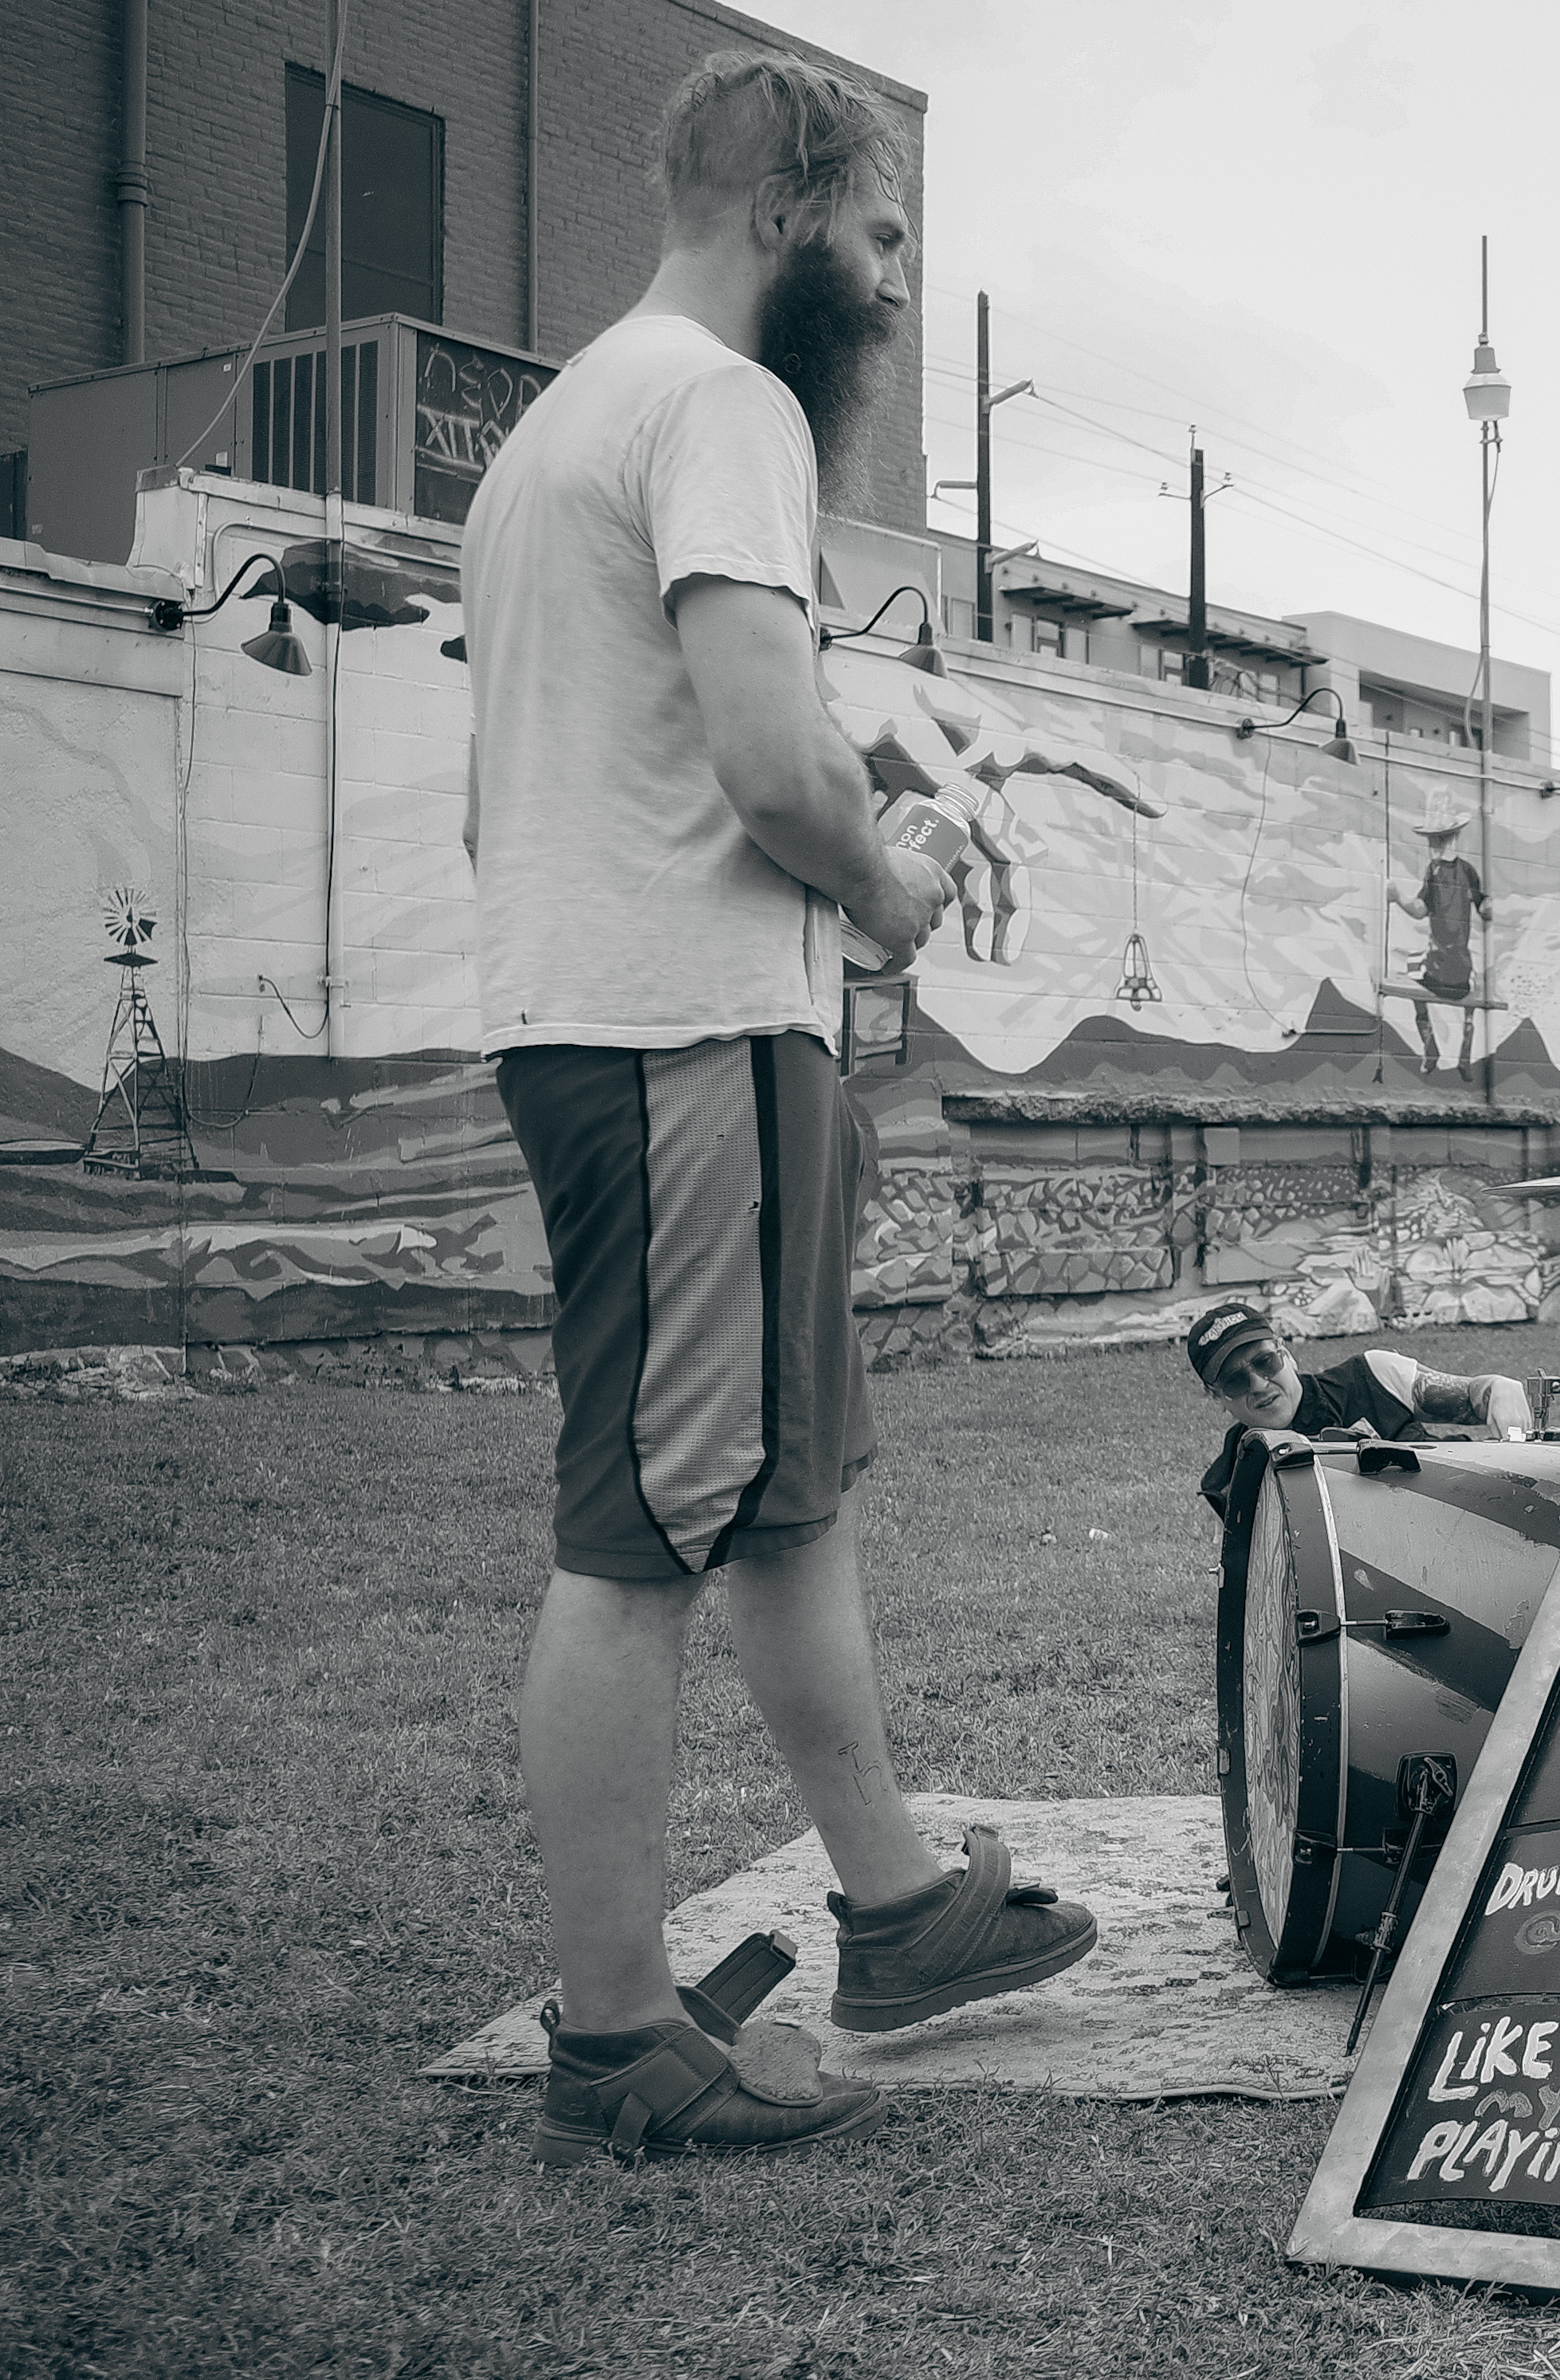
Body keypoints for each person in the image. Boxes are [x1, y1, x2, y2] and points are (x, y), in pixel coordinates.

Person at [464, 50, 1094, 2170]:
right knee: (644, 1529)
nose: (899, 284)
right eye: (884, 234)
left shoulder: (567, 420)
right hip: (680, 1032)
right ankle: (622, 2034)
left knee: (779, 1488)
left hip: (644, 1017)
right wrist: (892, 877)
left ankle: (896, 1904)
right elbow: (769, 760)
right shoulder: (717, 405)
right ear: (784, 211)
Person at [1187, 1300, 1535, 1523]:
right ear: (1216, 1397)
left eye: (1265, 1362)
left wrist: (1497, 1388)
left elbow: (1474, 1395)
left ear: (1286, 1354)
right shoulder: (1234, 1480)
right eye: (1235, 1381)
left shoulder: (1373, 1376)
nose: (1260, 1385)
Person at [1391, 795, 1488, 1073]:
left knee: (1410, 970)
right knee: (1474, 978)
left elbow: (1420, 910)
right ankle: (1466, 1054)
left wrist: (1398, 897)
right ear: (1456, 835)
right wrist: (1489, 906)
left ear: (1435, 839)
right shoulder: (1469, 872)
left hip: (1436, 972)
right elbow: (1485, 908)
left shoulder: (1433, 870)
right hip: (1462, 977)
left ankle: (1430, 1047)